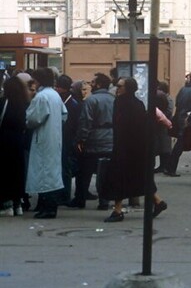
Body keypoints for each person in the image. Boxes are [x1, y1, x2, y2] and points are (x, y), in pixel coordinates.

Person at [104, 77, 167, 223]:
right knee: (138, 177)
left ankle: (118, 211)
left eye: (119, 86)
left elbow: (119, 124)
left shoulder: (120, 102)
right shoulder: (138, 103)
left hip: (124, 147)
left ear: (127, 88)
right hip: (137, 148)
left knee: (118, 178)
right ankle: (158, 202)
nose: (116, 88)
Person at [24, 68, 66, 219]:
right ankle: (48, 206)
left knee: (44, 173)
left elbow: (33, 119)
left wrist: (27, 118)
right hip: (54, 137)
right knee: (52, 172)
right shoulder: (54, 94)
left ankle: (48, 208)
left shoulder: (41, 97)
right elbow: (64, 114)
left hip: (43, 139)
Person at [69, 72, 115, 210]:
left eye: (93, 83)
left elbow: (85, 122)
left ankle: (80, 199)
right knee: (105, 173)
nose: (91, 85)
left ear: (99, 84)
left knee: (84, 172)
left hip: (93, 140)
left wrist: (80, 140)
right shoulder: (114, 99)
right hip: (111, 140)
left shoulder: (91, 100)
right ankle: (104, 201)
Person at [164, 69, 191, 177]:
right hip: (188, 120)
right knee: (180, 145)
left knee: (180, 144)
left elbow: (178, 104)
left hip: (181, 118)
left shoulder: (183, 89)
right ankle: (170, 168)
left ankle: (169, 167)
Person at [0, 73, 30, 216]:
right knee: (18, 171)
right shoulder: (24, 103)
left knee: (5, 172)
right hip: (19, 140)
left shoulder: (4, 102)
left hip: (5, 141)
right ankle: (18, 204)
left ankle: (7, 205)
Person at [54, 74, 81, 205]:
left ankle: (64, 195)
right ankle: (63, 193)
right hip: (66, 137)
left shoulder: (71, 103)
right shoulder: (72, 101)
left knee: (65, 167)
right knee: (64, 167)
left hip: (67, 138)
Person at [152, 82, 174, 173]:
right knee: (162, 146)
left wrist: (162, 117)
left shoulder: (167, 98)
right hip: (162, 124)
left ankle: (164, 166)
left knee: (164, 147)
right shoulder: (165, 97)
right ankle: (162, 166)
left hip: (164, 125)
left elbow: (169, 110)